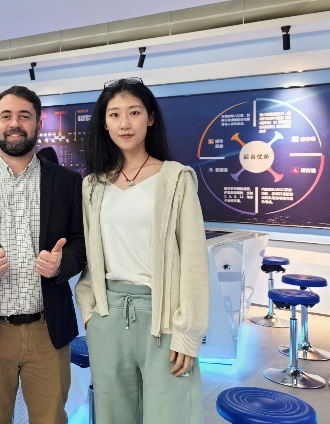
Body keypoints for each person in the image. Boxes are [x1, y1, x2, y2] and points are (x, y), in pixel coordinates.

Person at [0, 85, 86, 424]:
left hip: (48, 329)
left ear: (38, 124)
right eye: (6, 116)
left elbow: (83, 244)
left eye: (24, 116)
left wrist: (62, 264)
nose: (15, 124)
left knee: (52, 418)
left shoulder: (67, 182)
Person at [75, 77, 209, 423]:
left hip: (163, 316)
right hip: (108, 316)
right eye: (114, 114)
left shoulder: (175, 178)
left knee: (169, 414)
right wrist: (89, 311)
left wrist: (188, 332)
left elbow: (194, 258)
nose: (125, 123)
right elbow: (91, 254)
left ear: (150, 118)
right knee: (113, 415)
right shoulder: (93, 185)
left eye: (134, 112)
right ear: (104, 123)